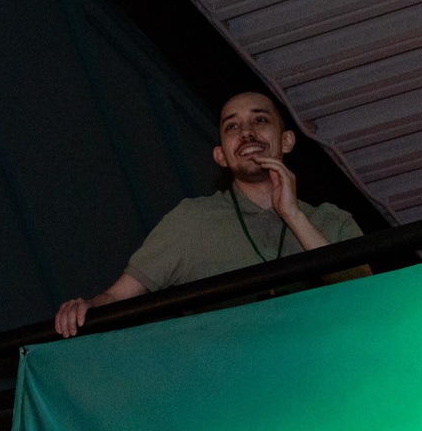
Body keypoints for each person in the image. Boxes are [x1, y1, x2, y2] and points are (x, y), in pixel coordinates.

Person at [53, 91, 363, 337]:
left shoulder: (332, 221)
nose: (246, 133)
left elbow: (366, 299)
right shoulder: (191, 220)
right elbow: (118, 297)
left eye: (260, 120)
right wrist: (85, 307)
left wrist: (294, 215)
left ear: (287, 140)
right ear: (220, 156)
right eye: (232, 126)